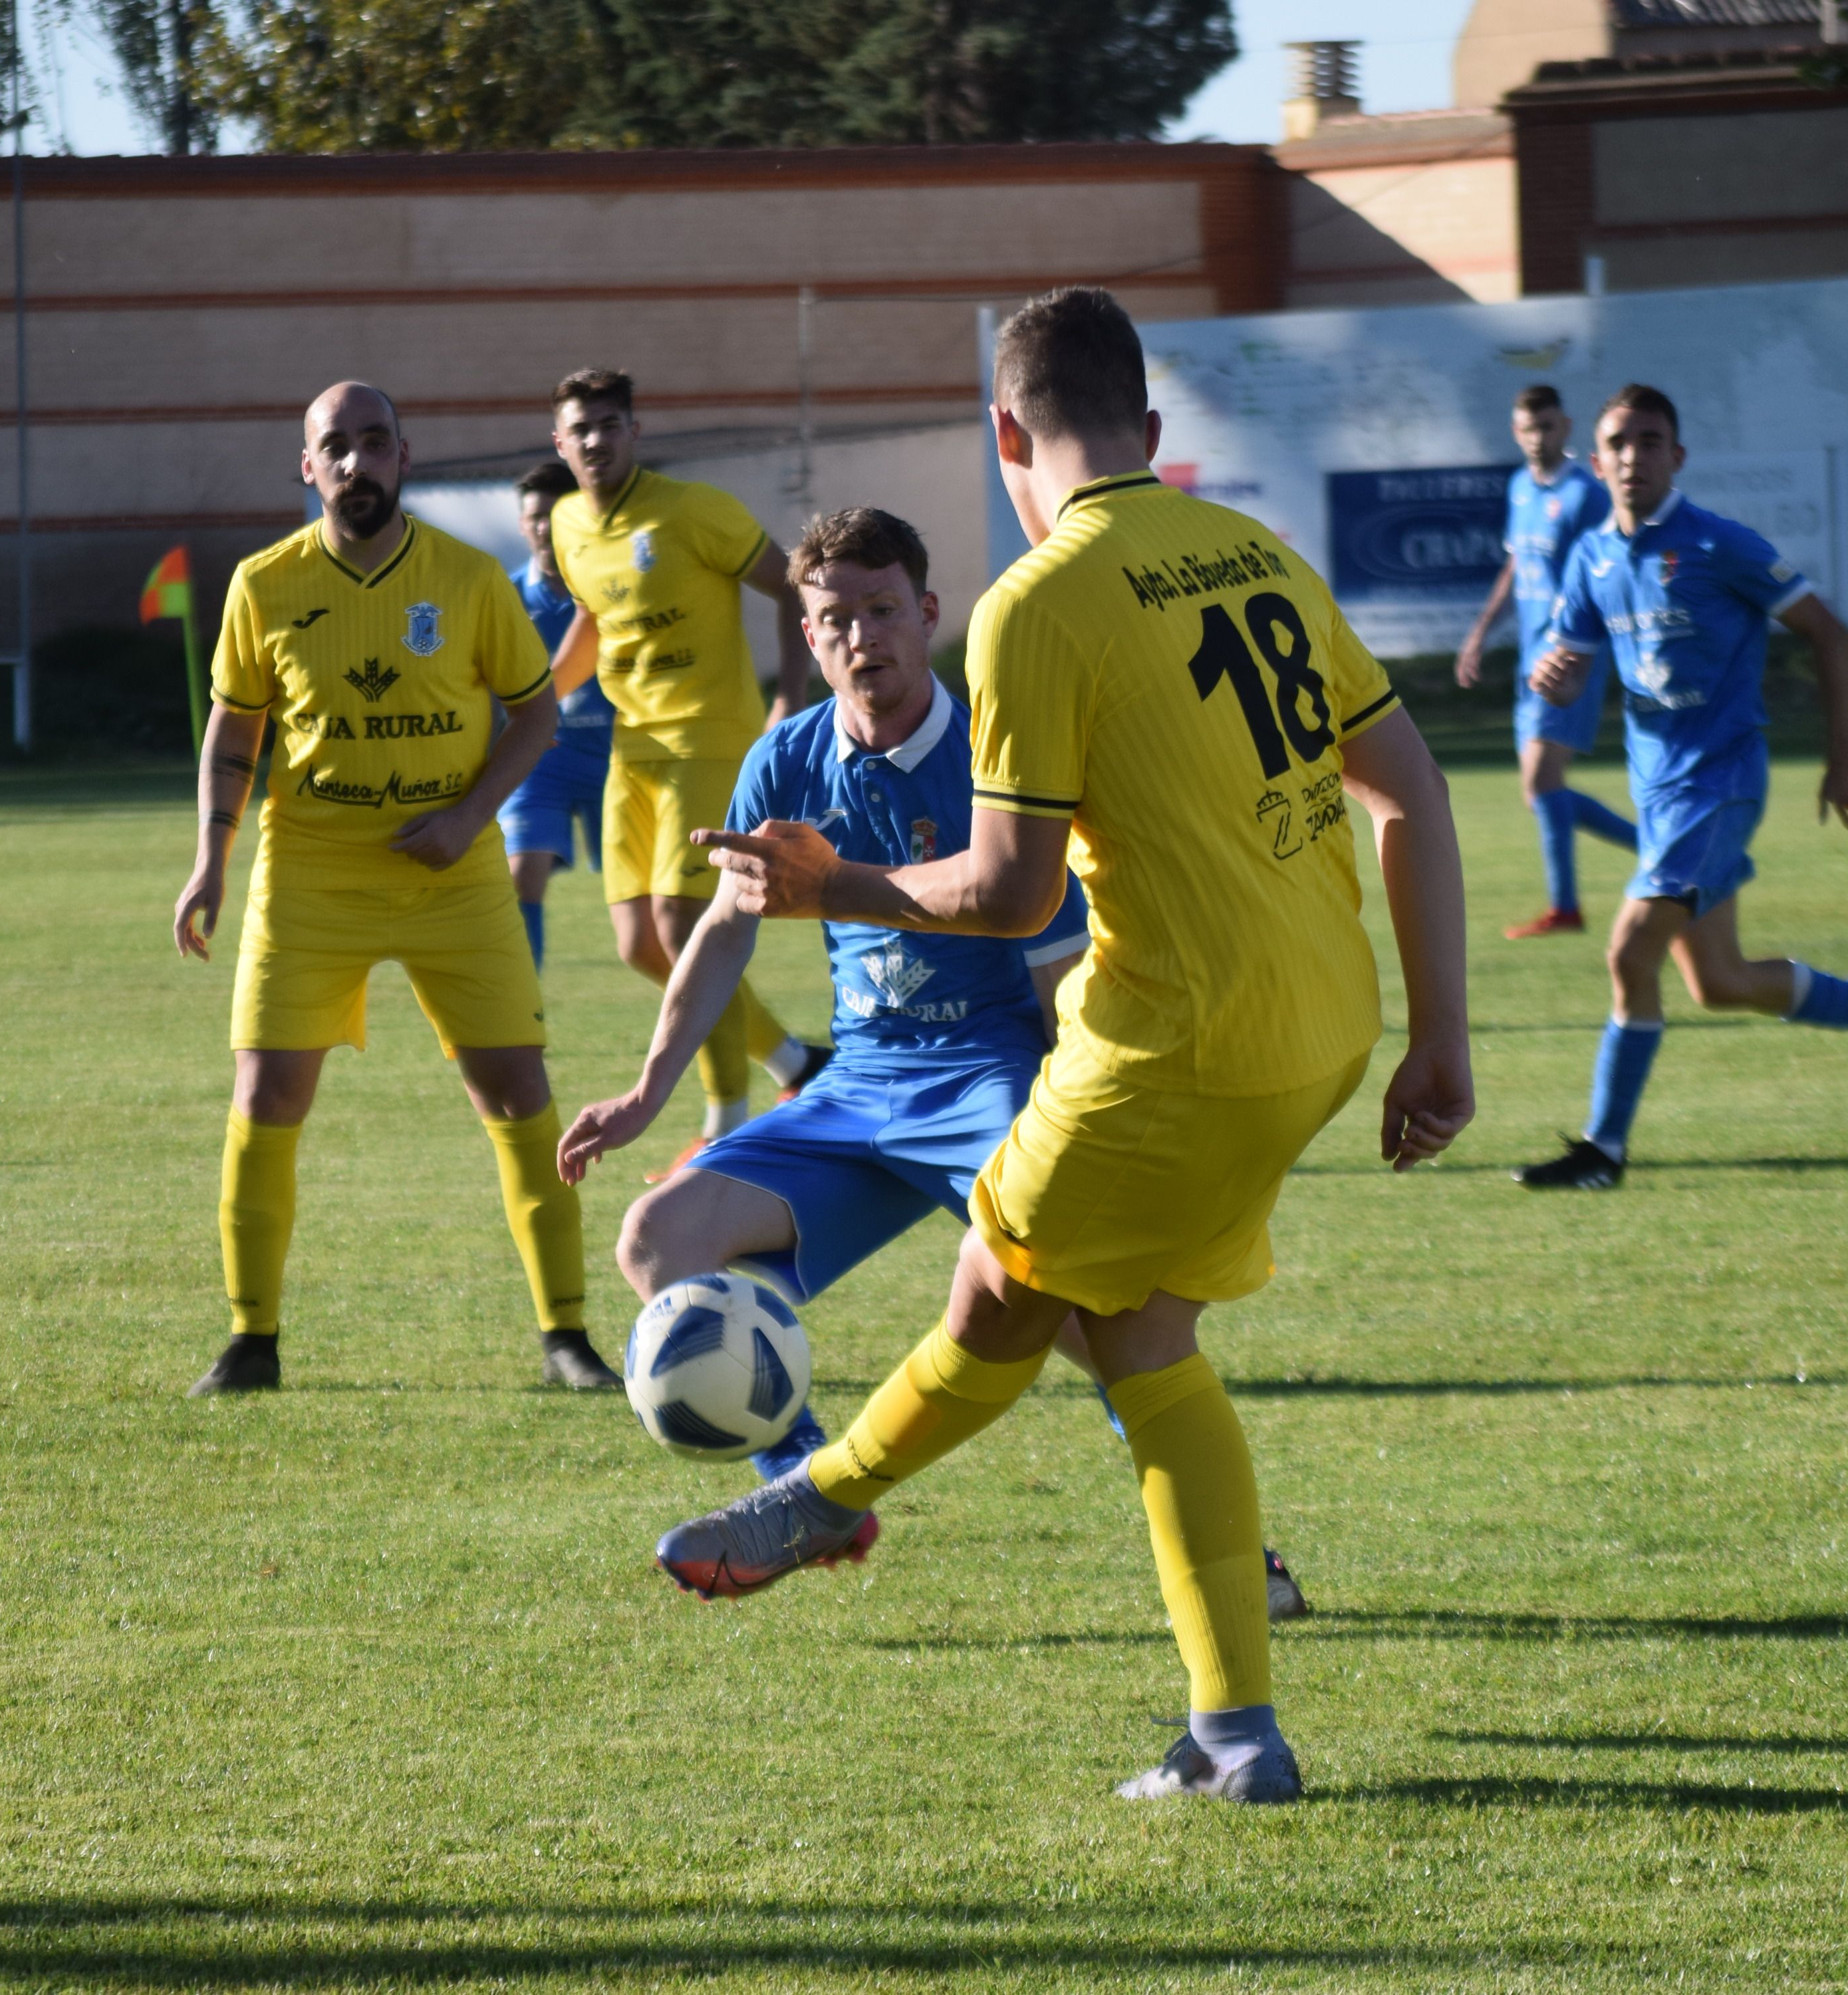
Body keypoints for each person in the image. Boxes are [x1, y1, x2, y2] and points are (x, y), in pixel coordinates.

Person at [648, 288, 1476, 1806]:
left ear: (1006, 432)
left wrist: (835, 884)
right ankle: (1234, 1732)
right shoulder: (1255, 551)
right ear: (1152, 432)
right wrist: (1443, 1041)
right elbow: (1412, 787)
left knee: (1000, 1294)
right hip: (1325, 1024)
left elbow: (1009, 892)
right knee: (1138, 1334)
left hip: (1172, 1042)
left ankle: (823, 1497)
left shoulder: (1041, 599)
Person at [556, 504, 1315, 1621]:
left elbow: (1064, 969)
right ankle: (809, 1489)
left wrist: (1096, 1113)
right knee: (658, 1241)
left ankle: (1241, 1564)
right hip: (859, 1086)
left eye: (880, 610)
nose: (862, 637)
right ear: (808, 640)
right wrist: (648, 1090)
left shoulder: (999, 754)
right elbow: (723, 929)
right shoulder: (787, 756)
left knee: (1092, 1319)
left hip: (992, 1077)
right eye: (833, 620)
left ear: (926, 614)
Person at [172, 381, 614, 1396]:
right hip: (311, 872)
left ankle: (568, 1338)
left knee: (517, 1088)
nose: (359, 463)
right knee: (265, 1093)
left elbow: (536, 715)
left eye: (377, 444)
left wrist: (469, 818)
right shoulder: (263, 584)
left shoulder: (466, 580)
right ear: (308, 466)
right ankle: (251, 1343)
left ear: (405, 458)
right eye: (339, 446)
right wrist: (212, 858)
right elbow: (234, 731)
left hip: (453, 875)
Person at [1510, 384, 1848, 1194]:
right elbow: (1564, 673)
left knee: (1626, 950)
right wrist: (1553, 682)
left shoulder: (1718, 545)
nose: (1632, 456)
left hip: (1721, 785)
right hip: (1658, 797)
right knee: (1720, 983)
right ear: (1596, 459)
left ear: (1677, 456)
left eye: (1650, 441)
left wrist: (1840, 757)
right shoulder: (1592, 558)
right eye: (1618, 442)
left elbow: (1825, 632)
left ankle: (1601, 1152)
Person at [541, 368, 830, 1181]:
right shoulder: (567, 523)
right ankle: (797, 1065)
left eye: (609, 423)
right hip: (630, 753)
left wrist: (790, 699)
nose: (595, 439)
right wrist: (531, 699)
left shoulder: (693, 512)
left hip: (709, 738)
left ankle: (724, 1128)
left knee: (680, 926)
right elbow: (594, 622)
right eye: (579, 428)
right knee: (638, 944)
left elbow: (792, 586)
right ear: (558, 444)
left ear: (634, 431)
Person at [1456, 383, 1641, 937]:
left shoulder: (1586, 494)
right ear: (1517, 433)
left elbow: (1613, 566)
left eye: (1548, 427)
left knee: (1542, 780)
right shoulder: (1519, 488)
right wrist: (1481, 633)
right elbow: (1517, 568)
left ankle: (1567, 908)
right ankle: (1662, 852)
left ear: (1566, 427)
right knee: (1541, 793)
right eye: (1528, 429)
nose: (1538, 438)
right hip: (1529, 654)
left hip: (1570, 655)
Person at [498, 459, 607, 971]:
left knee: (658, 903)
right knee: (521, 873)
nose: (543, 527)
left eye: (553, 514)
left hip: (621, 754)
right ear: (521, 524)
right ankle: (520, 1015)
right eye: (533, 516)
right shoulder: (507, 598)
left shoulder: (612, 589)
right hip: (544, 757)